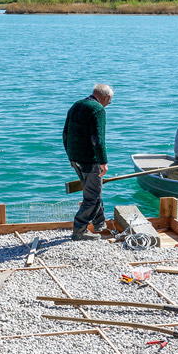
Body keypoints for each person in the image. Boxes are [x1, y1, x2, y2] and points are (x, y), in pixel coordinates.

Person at [63, 84, 113, 241]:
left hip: (75, 158)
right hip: (89, 161)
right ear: (105, 97)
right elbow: (98, 140)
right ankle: (80, 229)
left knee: (93, 190)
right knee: (92, 197)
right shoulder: (98, 110)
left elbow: (65, 133)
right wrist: (103, 162)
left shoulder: (76, 105)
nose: (109, 104)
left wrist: (70, 156)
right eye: (110, 100)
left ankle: (99, 224)